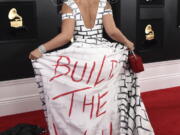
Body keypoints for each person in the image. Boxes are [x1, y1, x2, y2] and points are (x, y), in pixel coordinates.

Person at [29, 0, 155, 135]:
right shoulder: (104, 3)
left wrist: (40, 50)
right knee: (104, 98)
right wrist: (127, 42)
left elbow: (66, 36)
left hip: (80, 57)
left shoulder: (69, 5)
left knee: (84, 99)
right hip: (104, 57)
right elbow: (112, 31)